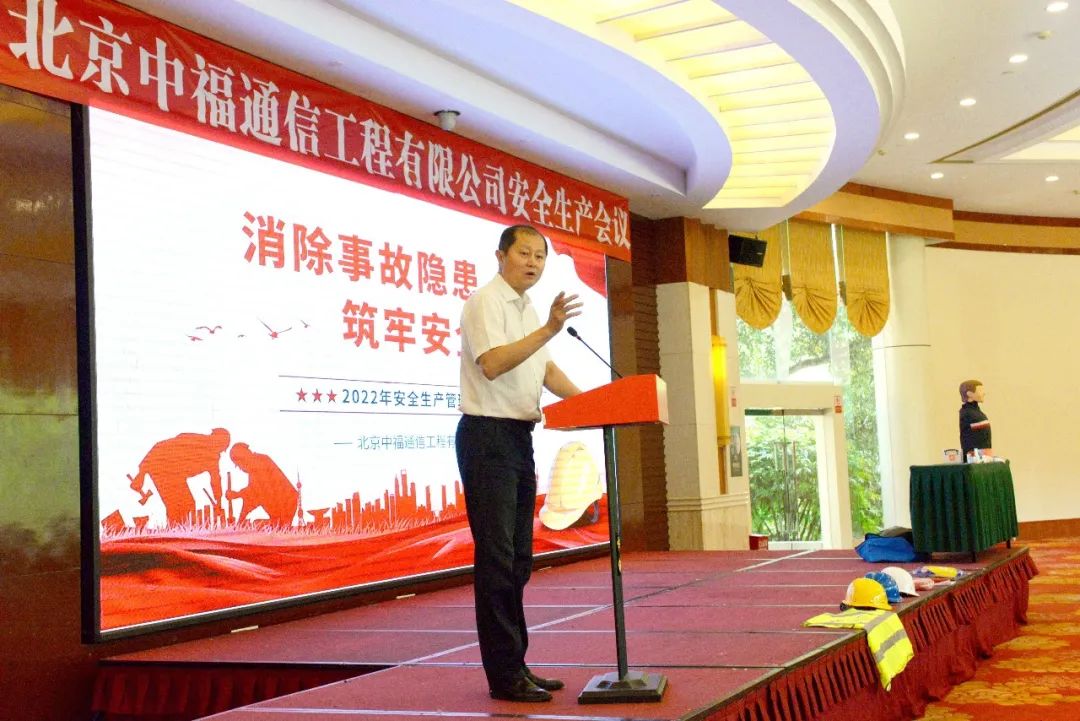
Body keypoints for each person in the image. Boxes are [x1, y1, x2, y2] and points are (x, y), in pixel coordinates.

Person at [456, 224, 582, 702]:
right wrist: (548, 329)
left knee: (519, 561)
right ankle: (503, 676)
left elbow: (545, 370)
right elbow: (492, 363)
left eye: (540, 256)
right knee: (497, 559)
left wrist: (598, 404)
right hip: (487, 436)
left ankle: (517, 665)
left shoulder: (527, 308)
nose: (533, 262)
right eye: (524, 253)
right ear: (500, 256)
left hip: (518, 439)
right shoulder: (484, 302)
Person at [958, 379, 992, 461]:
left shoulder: (977, 412)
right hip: (974, 458)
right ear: (969, 394)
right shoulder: (967, 413)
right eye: (980, 391)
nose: (984, 393)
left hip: (984, 457)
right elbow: (969, 439)